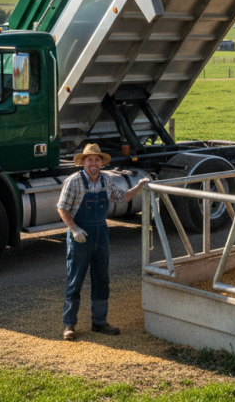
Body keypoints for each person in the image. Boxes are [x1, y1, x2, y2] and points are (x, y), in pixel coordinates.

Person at [57, 143, 149, 341]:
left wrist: (139, 187)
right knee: (75, 280)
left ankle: (99, 321)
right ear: (83, 162)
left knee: (102, 280)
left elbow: (122, 197)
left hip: (101, 234)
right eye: (89, 159)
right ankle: (69, 324)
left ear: (101, 163)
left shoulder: (106, 180)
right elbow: (62, 208)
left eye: (97, 160)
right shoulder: (73, 182)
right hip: (80, 235)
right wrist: (74, 228)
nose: (93, 163)